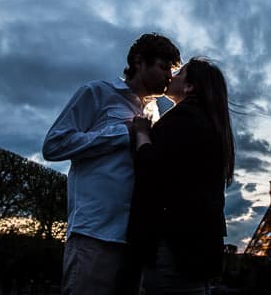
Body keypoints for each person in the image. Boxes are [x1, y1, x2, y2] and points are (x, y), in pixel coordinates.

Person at [42, 33, 181, 295]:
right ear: (139, 62)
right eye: (163, 67)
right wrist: (123, 134)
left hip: (135, 238)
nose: (169, 77)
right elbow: (54, 145)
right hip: (95, 234)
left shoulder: (154, 111)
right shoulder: (96, 93)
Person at [129, 57, 235, 295]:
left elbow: (149, 172)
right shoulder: (212, 124)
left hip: (174, 247)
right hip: (200, 247)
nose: (171, 76)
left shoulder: (182, 119)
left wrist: (142, 134)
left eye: (179, 73)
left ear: (189, 86)